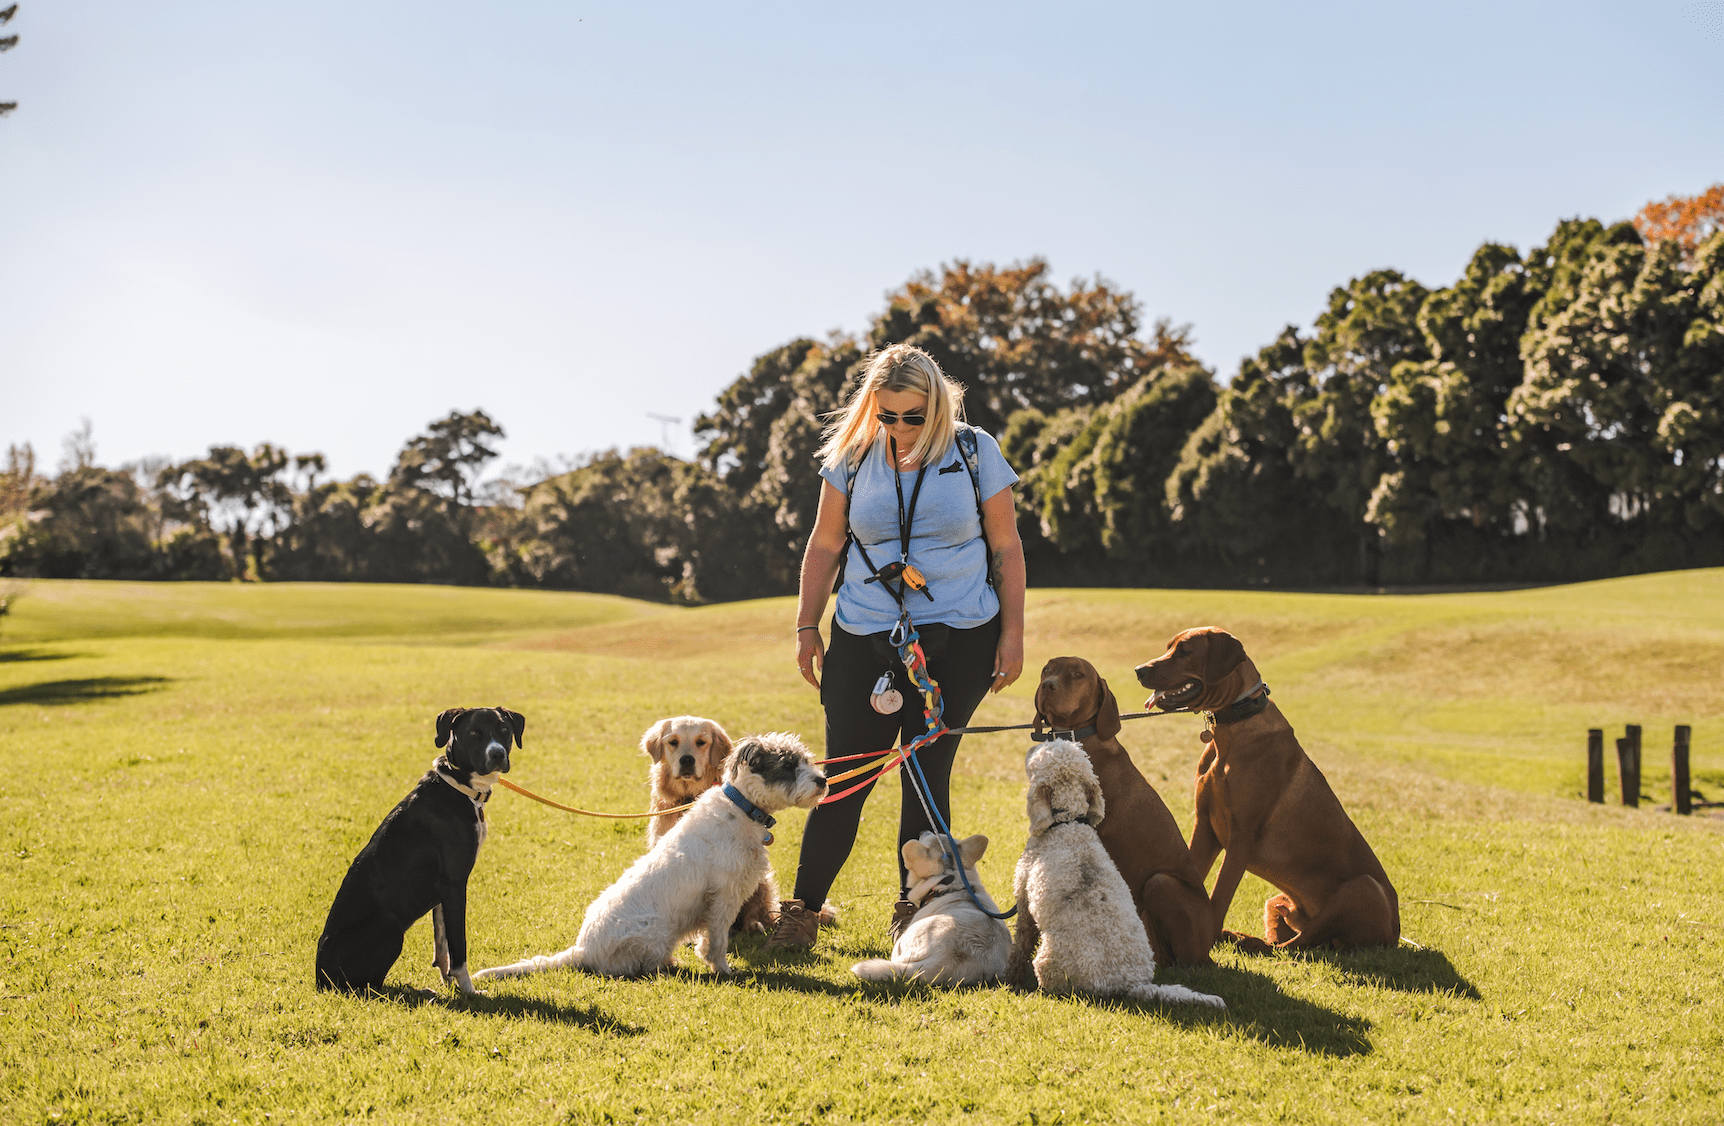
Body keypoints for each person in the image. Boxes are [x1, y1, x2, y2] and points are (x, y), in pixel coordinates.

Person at [766, 343, 1026, 950]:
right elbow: (825, 545)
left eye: (914, 416)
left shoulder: (973, 450)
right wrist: (808, 627)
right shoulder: (854, 457)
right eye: (888, 415)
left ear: (937, 406)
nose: (900, 429)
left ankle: (915, 913)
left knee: (925, 774)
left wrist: (1013, 634)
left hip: (960, 635)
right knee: (845, 774)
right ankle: (802, 911)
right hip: (864, 633)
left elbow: (1006, 546)